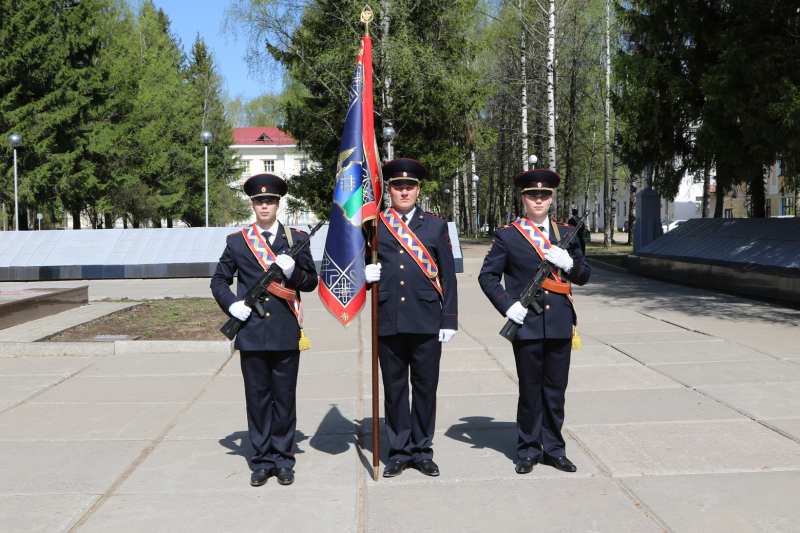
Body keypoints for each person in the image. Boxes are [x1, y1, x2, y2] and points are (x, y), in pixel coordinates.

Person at [478, 169, 591, 474]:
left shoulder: (566, 233)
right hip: (526, 323)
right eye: (532, 195)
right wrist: (507, 305)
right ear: (523, 198)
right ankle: (527, 449)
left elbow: (584, 274)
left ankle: (554, 449)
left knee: (555, 391)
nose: (538, 200)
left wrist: (569, 264)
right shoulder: (508, 235)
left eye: (544, 195)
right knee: (530, 391)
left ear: (551, 199)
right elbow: (487, 276)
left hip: (559, 324)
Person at [211, 173, 318, 487]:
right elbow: (219, 280)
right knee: (257, 399)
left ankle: (283, 459)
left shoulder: (297, 238)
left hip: (285, 331)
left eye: (270, 200)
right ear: (253, 204)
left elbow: (311, 282)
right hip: (252, 332)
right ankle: (261, 461)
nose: (265, 206)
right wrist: (231, 304)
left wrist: (293, 272)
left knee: (284, 398)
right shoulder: (237, 241)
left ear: (278, 203)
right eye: (259, 201)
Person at [364, 158, 458, 478]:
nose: (403, 192)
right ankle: (399, 451)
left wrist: (449, 318)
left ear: (418, 190)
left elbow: (448, 276)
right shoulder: (374, 225)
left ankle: (422, 450)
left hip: (427, 319)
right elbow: (357, 266)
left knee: (425, 388)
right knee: (394, 390)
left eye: (410, 187)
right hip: (387, 318)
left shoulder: (435, 226)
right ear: (388, 190)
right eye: (397, 186)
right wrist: (364, 275)